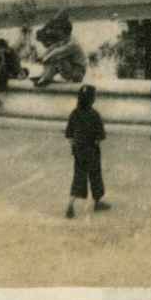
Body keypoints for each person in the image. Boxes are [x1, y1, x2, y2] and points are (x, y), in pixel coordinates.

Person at [64, 85, 110, 218]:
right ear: (92, 99)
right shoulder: (94, 115)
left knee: (78, 177)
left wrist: (75, 148)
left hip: (79, 151)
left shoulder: (74, 113)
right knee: (95, 176)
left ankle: (70, 206)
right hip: (92, 152)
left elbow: (69, 135)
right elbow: (99, 137)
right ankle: (97, 202)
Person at [33, 18, 87, 87]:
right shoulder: (63, 40)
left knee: (58, 58)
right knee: (54, 57)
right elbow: (52, 48)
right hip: (71, 68)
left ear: (62, 31)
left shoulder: (72, 44)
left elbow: (57, 52)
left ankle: (46, 77)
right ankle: (45, 76)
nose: (56, 32)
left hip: (77, 73)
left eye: (57, 30)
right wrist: (41, 57)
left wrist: (44, 59)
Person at [0, 38, 24, 109]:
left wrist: (21, 73)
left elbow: (17, 64)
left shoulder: (11, 52)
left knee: (2, 76)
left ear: (4, 47)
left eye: (0, 48)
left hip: (12, 70)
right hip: (2, 71)